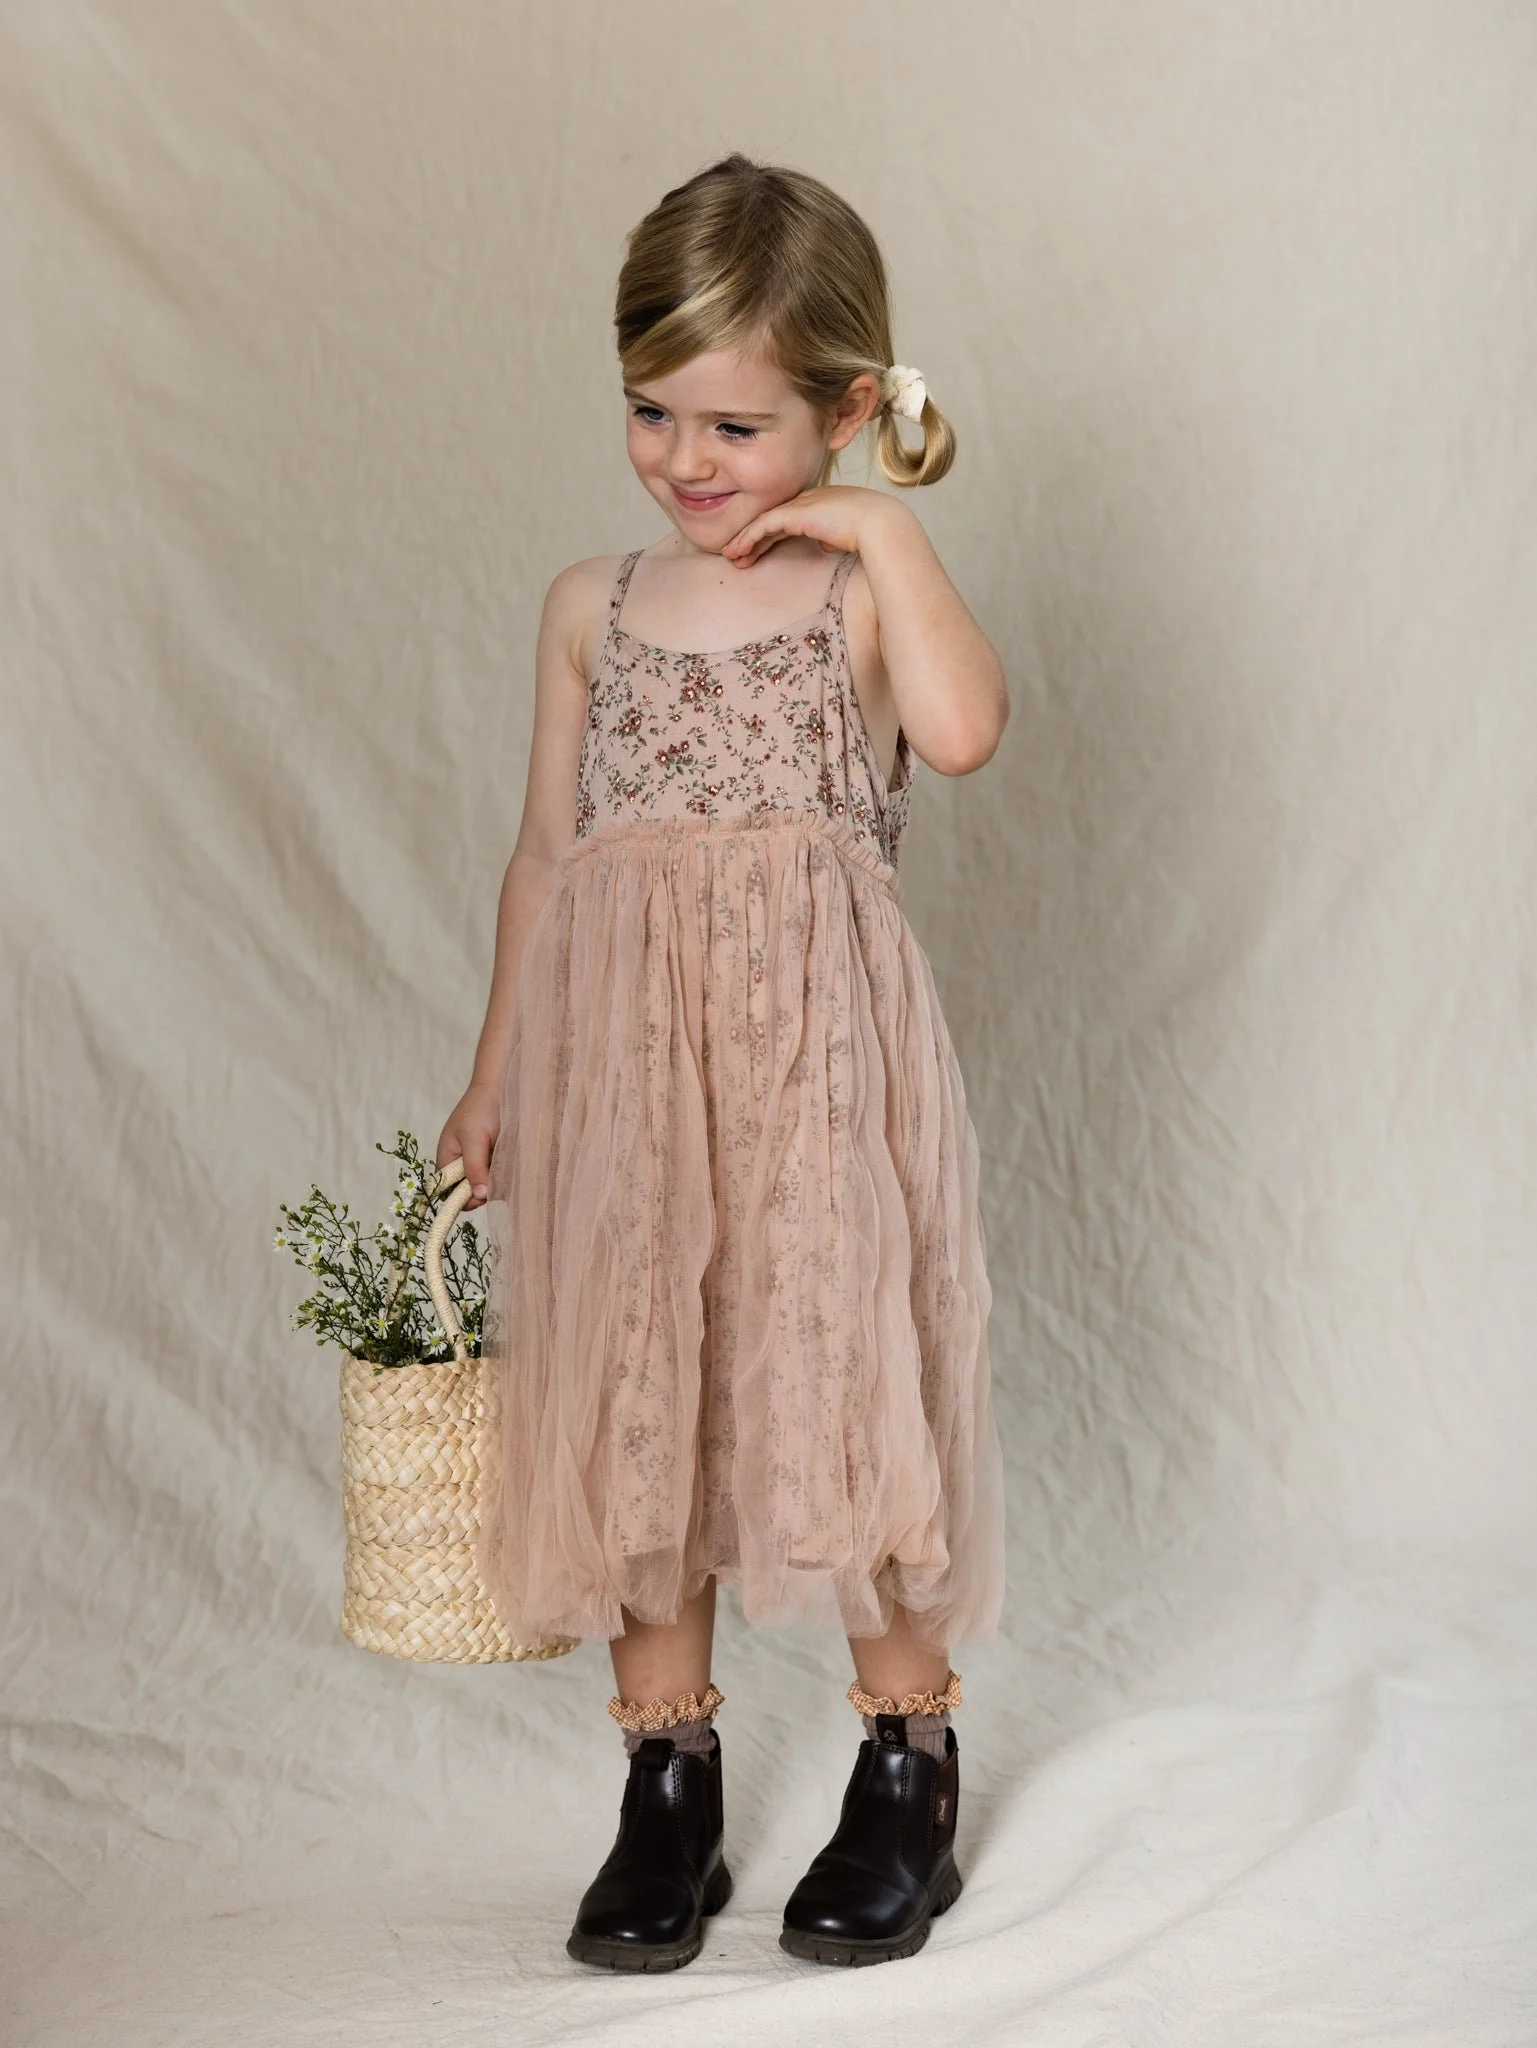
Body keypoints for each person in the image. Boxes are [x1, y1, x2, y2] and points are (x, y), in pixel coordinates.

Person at [437, 150, 1009, 1974]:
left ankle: (905, 1769)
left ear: (848, 410)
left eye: (740, 425)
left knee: (835, 1388)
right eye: (651, 412)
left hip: (812, 1088)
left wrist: (884, 528)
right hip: (626, 1082)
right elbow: (547, 852)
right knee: (642, 1405)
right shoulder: (591, 607)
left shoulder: (852, 600)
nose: (689, 461)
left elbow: (967, 734)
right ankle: (663, 1790)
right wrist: (496, 1072)